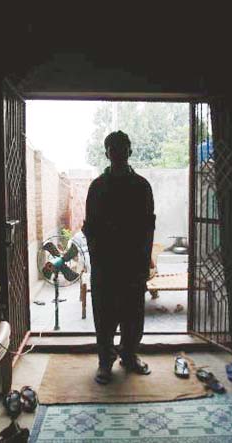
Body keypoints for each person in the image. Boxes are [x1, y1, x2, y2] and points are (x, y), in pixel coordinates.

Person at [82, 130, 156, 384]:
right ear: (107, 153)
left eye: (122, 147)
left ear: (130, 151)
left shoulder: (142, 186)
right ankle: (105, 361)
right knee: (104, 315)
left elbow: (148, 227)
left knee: (133, 314)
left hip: (133, 262)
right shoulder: (97, 187)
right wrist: (96, 260)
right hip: (105, 264)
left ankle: (130, 355)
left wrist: (145, 263)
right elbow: (90, 228)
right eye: (113, 147)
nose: (118, 152)